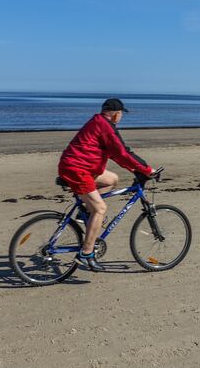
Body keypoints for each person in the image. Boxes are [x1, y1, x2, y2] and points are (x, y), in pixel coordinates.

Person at [58, 98, 154, 272]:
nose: (121, 117)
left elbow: (118, 155)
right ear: (116, 114)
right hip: (78, 169)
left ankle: (85, 212)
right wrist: (147, 170)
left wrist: (137, 168)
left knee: (111, 179)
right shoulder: (105, 128)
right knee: (100, 209)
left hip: (80, 167)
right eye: (121, 114)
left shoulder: (99, 122)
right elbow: (122, 153)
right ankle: (86, 254)